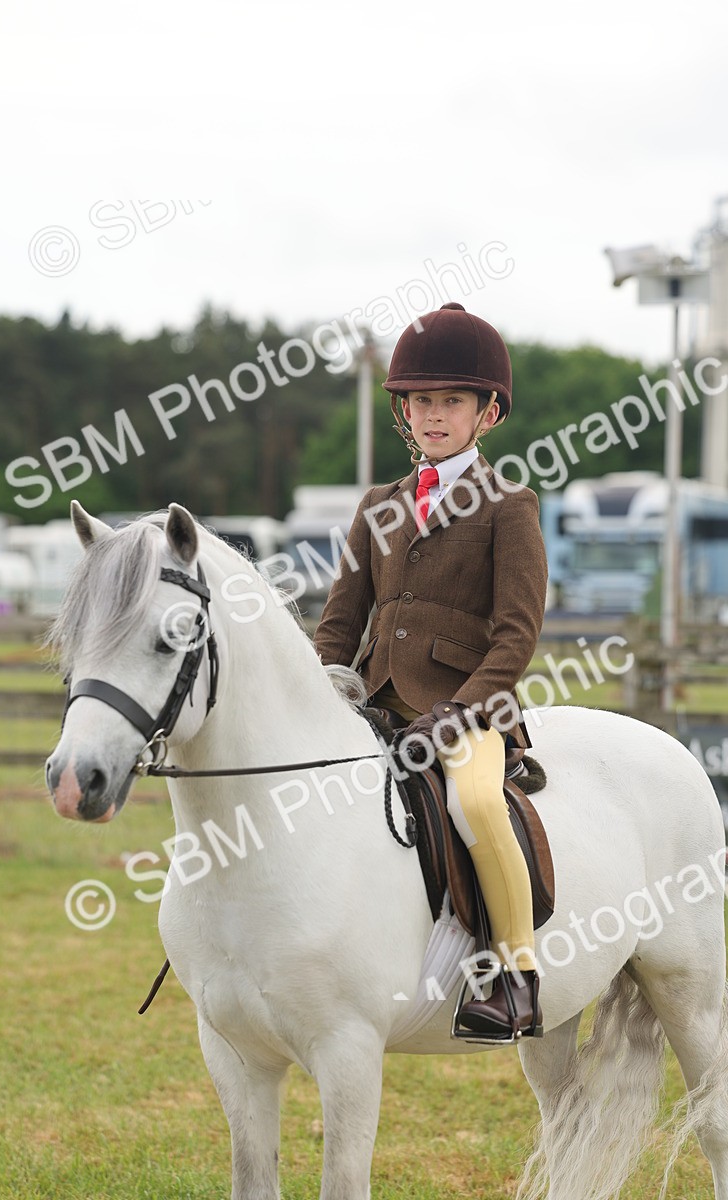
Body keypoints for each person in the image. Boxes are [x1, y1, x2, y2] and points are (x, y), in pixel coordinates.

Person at [312, 301, 548, 1040]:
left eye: (452, 401)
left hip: (464, 710)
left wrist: (468, 708)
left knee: (475, 803)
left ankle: (514, 976)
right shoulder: (378, 505)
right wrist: (320, 682)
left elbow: (516, 635)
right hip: (375, 699)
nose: (434, 415)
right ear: (403, 412)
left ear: (488, 413)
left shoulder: (511, 507)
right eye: (421, 401)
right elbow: (341, 621)